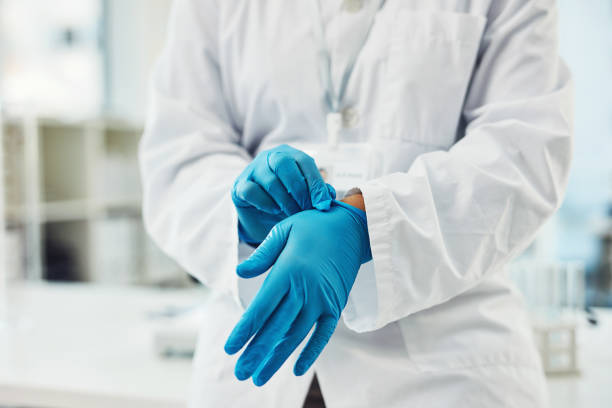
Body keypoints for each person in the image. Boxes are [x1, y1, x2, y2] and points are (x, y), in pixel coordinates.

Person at [139, 0, 572, 406]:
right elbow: (178, 153)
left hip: (446, 373)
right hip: (254, 375)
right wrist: (244, 218)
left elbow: (524, 152)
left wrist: (368, 225)